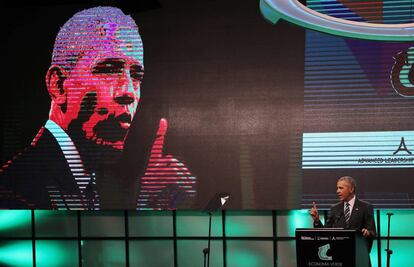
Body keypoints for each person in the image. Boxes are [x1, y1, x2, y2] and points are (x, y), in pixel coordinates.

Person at [0, 7, 196, 210]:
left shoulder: (98, 184)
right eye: (109, 70)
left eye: (136, 76)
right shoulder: (15, 191)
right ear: (58, 85)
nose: (128, 92)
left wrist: (149, 206)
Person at [310, 176, 376, 251]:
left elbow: (373, 232)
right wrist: (317, 221)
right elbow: (325, 233)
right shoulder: (335, 208)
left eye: (341, 188)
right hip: (339, 255)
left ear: (351, 189)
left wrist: (367, 233)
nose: (337, 191)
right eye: (337, 188)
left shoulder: (365, 207)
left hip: (359, 254)